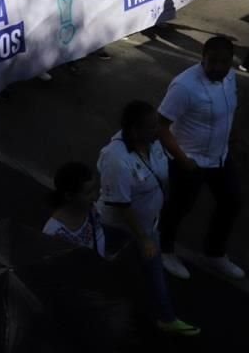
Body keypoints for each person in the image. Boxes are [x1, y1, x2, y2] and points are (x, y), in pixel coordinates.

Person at [97, 100, 200, 336]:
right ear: (135, 131)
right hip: (120, 225)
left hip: (146, 224)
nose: (159, 130)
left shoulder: (151, 143)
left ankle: (166, 317)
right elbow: (122, 205)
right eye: (152, 126)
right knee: (112, 256)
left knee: (144, 267)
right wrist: (144, 238)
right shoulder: (117, 160)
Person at [158, 36, 244, 281]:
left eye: (223, 63)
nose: (217, 68)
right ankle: (165, 251)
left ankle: (214, 254)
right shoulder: (184, 87)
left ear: (231, 62)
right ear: (202, 59)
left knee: (231, 202)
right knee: (179, 208)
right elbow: (161, 126)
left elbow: (230, 111)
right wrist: (183, 160)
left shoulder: (231, 78)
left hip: (219, 157)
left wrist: (234, 139)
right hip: (189, 160)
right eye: (212, 62)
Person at [43, 162, 105, 257]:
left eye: (94, 189)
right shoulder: (53, 233)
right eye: (88, 193)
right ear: (69, 196)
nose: (95, 196)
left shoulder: (91, 210)